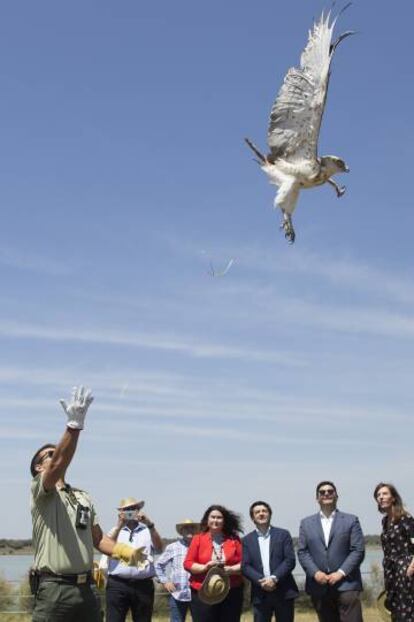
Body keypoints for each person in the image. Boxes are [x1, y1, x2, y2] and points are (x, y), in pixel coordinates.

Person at [30, 386, 146, 622]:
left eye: (56, 452)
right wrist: (73, 427)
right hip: (55, 589)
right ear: (39, 468)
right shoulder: (41, 491)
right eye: (48, 455)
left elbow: (97, 539)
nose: (55, 456)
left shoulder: (82, 496)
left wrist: (129, 554)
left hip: (87, 588)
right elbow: (58, 464)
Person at [297, 481, 365, 622]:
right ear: (317, 498)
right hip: (319, 586)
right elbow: (303, 552)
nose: (326, 493)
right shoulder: (306, 523)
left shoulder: (351, 520)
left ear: (336, 496)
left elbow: (358, 550)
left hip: (347, 584)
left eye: (330, 491)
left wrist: (340, 573)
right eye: (322, 492)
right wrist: (315, 573)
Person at [105, 496, 163, 622]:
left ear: (139, 510)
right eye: (127, 509)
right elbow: (106, 548)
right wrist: (119, 526)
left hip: (143, 585)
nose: (130, 511)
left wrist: (150, 524)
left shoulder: (148, 530)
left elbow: (159, 548)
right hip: (118, 584)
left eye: (133, 508)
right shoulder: (115, 530)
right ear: (121, 513)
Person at [183, 504, 243, 622]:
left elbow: (245, 563)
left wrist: (230, 570)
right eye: (213, 517)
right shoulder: (198, 539)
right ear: (207, 520)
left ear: (224, 521)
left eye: (219, 518)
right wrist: (205, 567)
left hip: (232, 591)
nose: (215, 520)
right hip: (203, 592)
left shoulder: (234, 539)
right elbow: (188, 563)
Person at [242, 501, 298, 622]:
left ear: (270, 514)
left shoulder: (283, 534)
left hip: (283, 591)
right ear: (252, 517)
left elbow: (290, 560)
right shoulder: (246, 540)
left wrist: (274, 578)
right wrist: (261, 581)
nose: (261, 514)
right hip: (260, 592)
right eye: (257, 512)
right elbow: (245, 566)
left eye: (264, 511)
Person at [373, 482, 414, 621]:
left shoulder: (406, 519)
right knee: (394, 610)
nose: (381, 497)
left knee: (407, 611)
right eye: (378, 495)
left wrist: (411, 567)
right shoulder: (385, 521)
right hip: (391, 571)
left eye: (385, 494)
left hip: (406, 569)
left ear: (394, 498)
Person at [155, 518, 200, 621]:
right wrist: (165, 581)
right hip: (177, 594)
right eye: (186, 528)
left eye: (192, 527)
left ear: (196, 531)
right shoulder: (173, 547)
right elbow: (158, 565)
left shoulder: (200, 546)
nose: (189, 530)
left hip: (198, 594)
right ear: (181, 531)